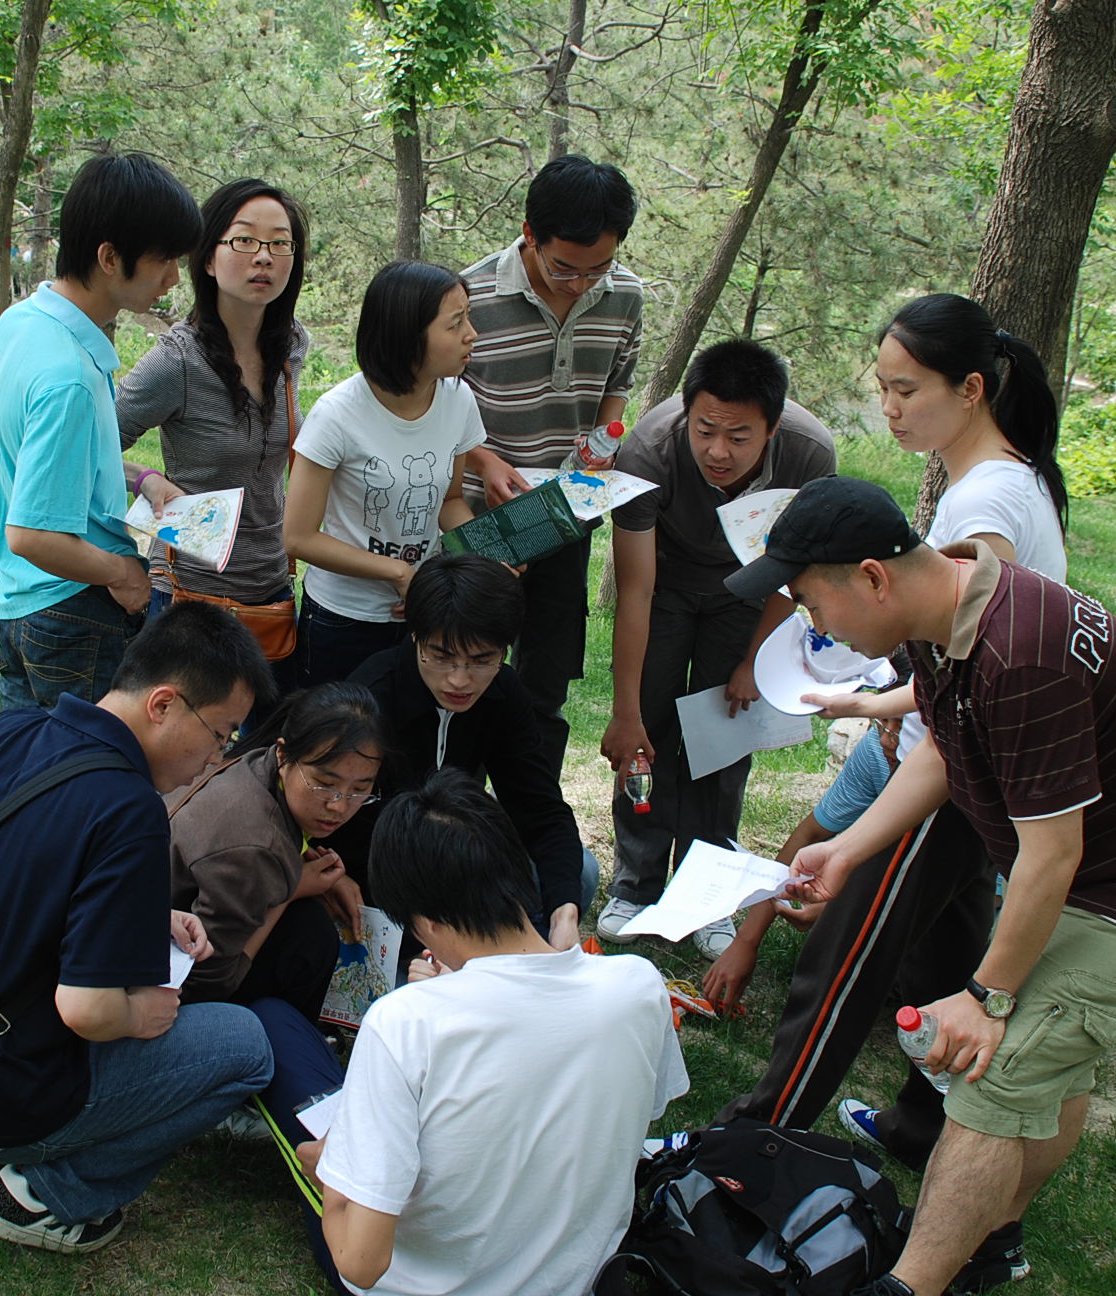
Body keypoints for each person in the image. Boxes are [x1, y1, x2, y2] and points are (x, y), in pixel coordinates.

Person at [726, 477, 1116, 1296]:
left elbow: (1050, 856)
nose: (808, 622)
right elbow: (940, 748)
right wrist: (849, 850)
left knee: (992, 1074)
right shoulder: (950, 611)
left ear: (871, 576)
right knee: (1052, 1071)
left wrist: (988, 996)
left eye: (809, 600)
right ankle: (994, 1240)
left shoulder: (1021, 653)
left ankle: (912, 1286)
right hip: (1099, 875)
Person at [708, 294, 1071, 1178]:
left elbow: (978, 660)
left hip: (946, 776)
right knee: (946, 948)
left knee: (842, 966)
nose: (891, 408)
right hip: (953, 761)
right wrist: (880, 709)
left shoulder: (986, 505)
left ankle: (757, 1134)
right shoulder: (997, 480)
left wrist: (895, 725)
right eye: (883, 388)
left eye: (908, 389)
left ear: (974, 389)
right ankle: (921, 1123)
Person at [0, 603, 279, 1255]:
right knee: (245, 1046)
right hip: (1, 1094)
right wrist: (138, 1015)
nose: (217, 759)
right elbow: (86, 1010)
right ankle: (47, 1195)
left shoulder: (6, 731)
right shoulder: (129, 811)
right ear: (163, 705)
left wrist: (141, 912)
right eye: (221, 734)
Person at [294, 769, 688, 1296]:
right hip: (579, 1277)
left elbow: (361, 1262)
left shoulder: (405, 1022)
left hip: (425, 1283)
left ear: (424, 923)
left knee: (280, 1040)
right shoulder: (638, 986)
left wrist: (334, 1175)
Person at [596, 339, 837, 958]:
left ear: (773, 428)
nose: (718, 452)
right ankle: (637, 880)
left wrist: (755, 661)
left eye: (739, 437)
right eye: (705, 431)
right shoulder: (649, 450)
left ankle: (706, 891)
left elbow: (794, 570)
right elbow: (638, 589)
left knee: (723, 738)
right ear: (687, 414)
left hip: (750, 591)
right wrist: (627, 711)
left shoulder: (809, 455)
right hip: (667, 584)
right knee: (649, 735)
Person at [0, 152, 202, 710]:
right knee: (84, 784)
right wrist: (122, 573)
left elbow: (44, 461)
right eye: (163, 261)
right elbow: (30, 533)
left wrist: (142, 478)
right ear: (109, 257)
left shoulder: (22, 324)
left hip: (20, 607)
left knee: (32, 778)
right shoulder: (70, 378)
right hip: (74, 613)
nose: (174, 279)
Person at [459, 155, 644, 776]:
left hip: (567, 509)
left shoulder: (625, 296)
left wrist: (606, 437)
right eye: (565, 267)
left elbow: (617, 381)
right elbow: (434, 405)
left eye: (598, 269)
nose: (580, 284)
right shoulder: (469, 296)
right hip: (483, 514)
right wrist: (483, 460)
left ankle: (529, 801)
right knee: (467, 661)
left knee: (546, 674)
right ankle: (456, 798)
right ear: (529, 234)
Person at [342, 553, 598, 950]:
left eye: (482, 660)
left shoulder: (503, 694)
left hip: (459, 869)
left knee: (578, 875)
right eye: (441, 657)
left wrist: (564, 913)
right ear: (415, 636)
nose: (459, 680)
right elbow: (340, 829)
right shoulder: (372, 699)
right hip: (381, 882)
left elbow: (541, 811)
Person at [117, 178, 313, 692]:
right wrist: (147, 481)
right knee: (183, 760)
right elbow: (86, 450)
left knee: (267, 753)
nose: (264, 258)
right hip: (189, 597)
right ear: (208, 258)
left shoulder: (291, 348)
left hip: (270, 589)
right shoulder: (175, 361)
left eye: (279, 243)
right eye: (244, 240)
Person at [284, 261, 485, 687]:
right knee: (339, 744)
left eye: (468, 317)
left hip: (422, 616)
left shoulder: (458, 399)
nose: (472, 334)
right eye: (455, 323)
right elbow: (298, 536)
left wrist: (484, 554)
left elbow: (449, 502)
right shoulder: (337, 415)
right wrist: (397, 573)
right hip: (343, 620)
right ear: (408, 334)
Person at [166, 682, 384, 1021]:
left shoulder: (255, 763)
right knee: (312, 935)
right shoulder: (255, 846)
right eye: (324, 783)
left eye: (360, 789)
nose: (339, 807)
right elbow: (206, 985)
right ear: (283, 754)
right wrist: (290, 889)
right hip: (167, 987)